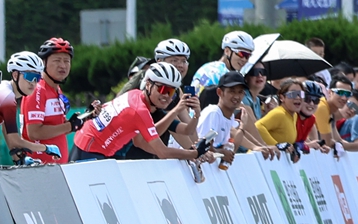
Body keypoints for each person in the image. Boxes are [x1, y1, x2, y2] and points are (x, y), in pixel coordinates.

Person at [71, 63, 215, 164]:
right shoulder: (139, 111)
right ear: (148, 85)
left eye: (171, 91)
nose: (166, 96)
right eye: (162, 89)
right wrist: (194, 153)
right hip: (90, 149)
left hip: (89, 145)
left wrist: (195, 114)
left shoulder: (137, 96)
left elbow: (186, 130)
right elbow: (162, 152)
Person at [23, 38, 88, 165]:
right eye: (57, 60)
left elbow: (58, 128)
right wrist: (69, 126)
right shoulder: (38, 89)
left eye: (66, 61)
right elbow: (34, 132)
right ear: (43, 63)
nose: (63, 65)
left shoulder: (56, 89)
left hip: (55, 167)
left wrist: (81, 120)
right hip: (39, 167)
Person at [195, 71, 280, 161]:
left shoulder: (229, 116)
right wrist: (222, 153)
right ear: (220, 92)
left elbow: (236, 134)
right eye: (232, 91)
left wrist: (258, 146)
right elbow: (203, 147)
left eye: (240, 92)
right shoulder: (214, 113)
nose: (236, 96)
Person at [3, 52, 60, 161]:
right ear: (15, 75)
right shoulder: (7, 97)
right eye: (29, 76)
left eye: (37, 78)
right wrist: (46, 148)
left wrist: (18, 159)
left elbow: (6, 130)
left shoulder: (7, 90)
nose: (33, 83)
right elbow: (15, 140)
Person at [122, 38, 191, 94]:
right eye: (174, 60)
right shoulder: (144, 78)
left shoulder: (177, 89)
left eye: (183, 61)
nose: (180, 65)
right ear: (160, 61)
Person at [255, 79, 304, 146]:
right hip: (257, 155)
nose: (298, 97)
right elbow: (258, 127)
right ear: (282, 97)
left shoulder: (294, 115)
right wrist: (276, 145)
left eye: (301, 94)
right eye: (293, 94)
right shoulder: (279, 114)